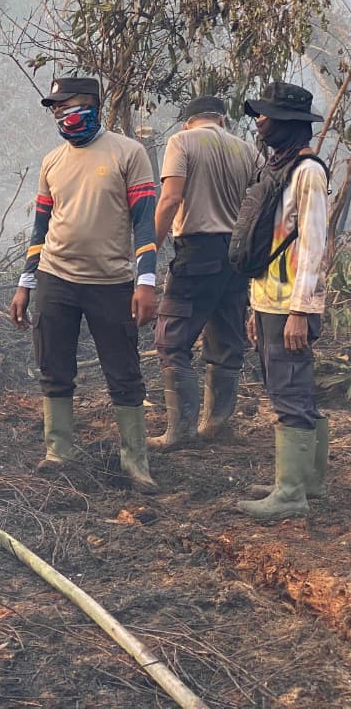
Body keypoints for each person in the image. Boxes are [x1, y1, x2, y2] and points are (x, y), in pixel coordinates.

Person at [7, 77, 159, 492]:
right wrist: (25, 284)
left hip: (111, 282)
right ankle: (59, 451)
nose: (59, 113)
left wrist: (146, 280)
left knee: (124, 371)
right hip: (55, 278)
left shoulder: (129, 153)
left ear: (91, 104)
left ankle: (136, 461)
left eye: (66, 104)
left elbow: (145, 219)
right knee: (53, 366)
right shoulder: (52, 161)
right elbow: (39, 228)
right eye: (54, 107)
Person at [237, 81, 330, 521]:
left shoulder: (307, 172)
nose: (260, 122)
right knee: (289, 389)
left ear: (288, 123)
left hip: (289, 305)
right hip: (269, 301)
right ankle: (304, 481)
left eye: (266, 115)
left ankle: (291, 492)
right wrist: (257, 306)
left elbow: (313, 246)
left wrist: (300, 310)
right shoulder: (280, 166)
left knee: (290, 392)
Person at [148, 96, 260, 450]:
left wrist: (147, 251)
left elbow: (169, 199)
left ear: (187, 121)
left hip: (198, 251)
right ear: (222, 121)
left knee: (172, 339)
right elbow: (259, 203)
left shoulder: (182, 142)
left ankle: (180, 431)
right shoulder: (247, 150)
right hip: (237, 254)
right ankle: (217, 425)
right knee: (227, 339)